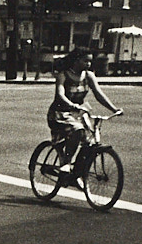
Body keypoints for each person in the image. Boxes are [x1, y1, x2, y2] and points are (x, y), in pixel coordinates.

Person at [45, 47, 121, 178]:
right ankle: (67, 163)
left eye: (90, 61)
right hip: (60, 114)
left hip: (78, 113)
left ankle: (78, 174)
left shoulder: (89, 76)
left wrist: (114, 109)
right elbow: (60, 94)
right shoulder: (63, 75)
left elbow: (99, 94)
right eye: (85, 61)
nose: (88, 64)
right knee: (78, 130)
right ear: (76, 60)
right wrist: (72, 105)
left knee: (89, 142)